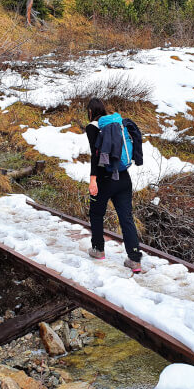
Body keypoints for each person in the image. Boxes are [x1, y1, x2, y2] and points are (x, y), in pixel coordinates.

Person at [85, 98, 143, 273]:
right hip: (124, 177)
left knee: (96, 213)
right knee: (126, 218)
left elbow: (96, 156)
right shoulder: (117, 123)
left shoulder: (93, 127)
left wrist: (93, 179)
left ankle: (98, 249)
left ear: (90, 112)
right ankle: (134, 259)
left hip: (104, 179)